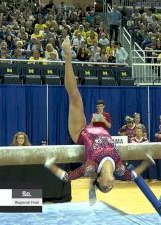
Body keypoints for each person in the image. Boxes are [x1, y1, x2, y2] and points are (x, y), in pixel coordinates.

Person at [44, 37, 154, 199]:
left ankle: (67, 54)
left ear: (99, 179)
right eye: (110, 188)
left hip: (80, 131)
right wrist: (147, 161)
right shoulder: (119, 168)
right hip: (93, 128)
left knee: (74, 96)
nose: (109, 185)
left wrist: (48, 164)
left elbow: (67, 177)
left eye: (104, 187)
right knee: (76, 96)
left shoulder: (90, 167)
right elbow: (133, 176)